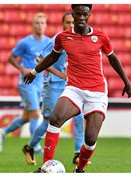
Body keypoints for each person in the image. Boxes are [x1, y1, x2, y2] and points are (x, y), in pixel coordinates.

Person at [24, 4, 131, 173]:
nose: (81, 17)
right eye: (78, 14)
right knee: (55, 118)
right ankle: (45, 168)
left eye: (85, 14)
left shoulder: (100, 36)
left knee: (90, 138)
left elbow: (113, 59)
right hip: (74, 88)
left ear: (89, 15)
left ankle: (79, 169)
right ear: (73, 15)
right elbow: (53, 56)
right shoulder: (63, 37)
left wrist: (126, 82)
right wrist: (34, 71)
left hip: (97, 92)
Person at [22, 12, 87, 166]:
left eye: (73, 22)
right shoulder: (59, 38)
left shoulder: (81, 39)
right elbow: (40, 58)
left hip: (72, 86)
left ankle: (78, 153)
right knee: (48, 122)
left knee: (79, 117)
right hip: (53, 85)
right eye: (68, 22)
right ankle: (30, 147)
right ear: (62, 24)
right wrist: (59, 73)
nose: (71, 25)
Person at [0, 13, 50, 153]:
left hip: (39, 83)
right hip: (27, 82)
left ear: (46, 25)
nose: (40, 26)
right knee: (36, 114)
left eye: (42, 23)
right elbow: (11, 58)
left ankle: (3, 132)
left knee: (27, 116)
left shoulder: (49, 42)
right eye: (37, 23)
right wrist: (22, 68)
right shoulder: (25, 43)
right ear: (33, 26)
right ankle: (35, 147)